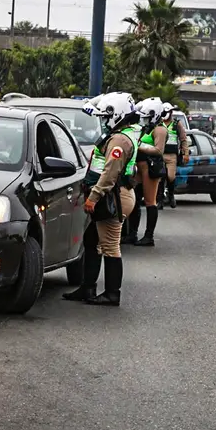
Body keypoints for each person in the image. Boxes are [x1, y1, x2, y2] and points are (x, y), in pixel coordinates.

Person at [62, 92, 139, 307]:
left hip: (112, 196)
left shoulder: (119, 140)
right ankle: (88, 287)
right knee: (91, 240)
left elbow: (109, 174)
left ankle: (112, 293)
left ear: (118, 115)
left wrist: (93, 198)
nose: (104, 121)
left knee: (110, 245)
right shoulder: (119, 135)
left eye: (106, 116)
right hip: (110, 194)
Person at [123, 98, 168, 247]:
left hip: (150, 167)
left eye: (146, 117)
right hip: (139, 166)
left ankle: (149, 236)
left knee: (150, 201)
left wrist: (139, 145)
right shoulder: (148, 127)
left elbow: (158, 151)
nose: (144, 120)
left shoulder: (160, 129)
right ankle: (132, 233)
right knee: (134, 199)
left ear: (154, 115)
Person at [157, 103, 189, 209]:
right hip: (159, 154)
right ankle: (160, 200)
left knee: (171, 177)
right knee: (160, 177)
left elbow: (183, 139)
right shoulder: (158, 123)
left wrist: (185, 153)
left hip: (172, 156)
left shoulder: (177, 124)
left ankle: (171, 195)